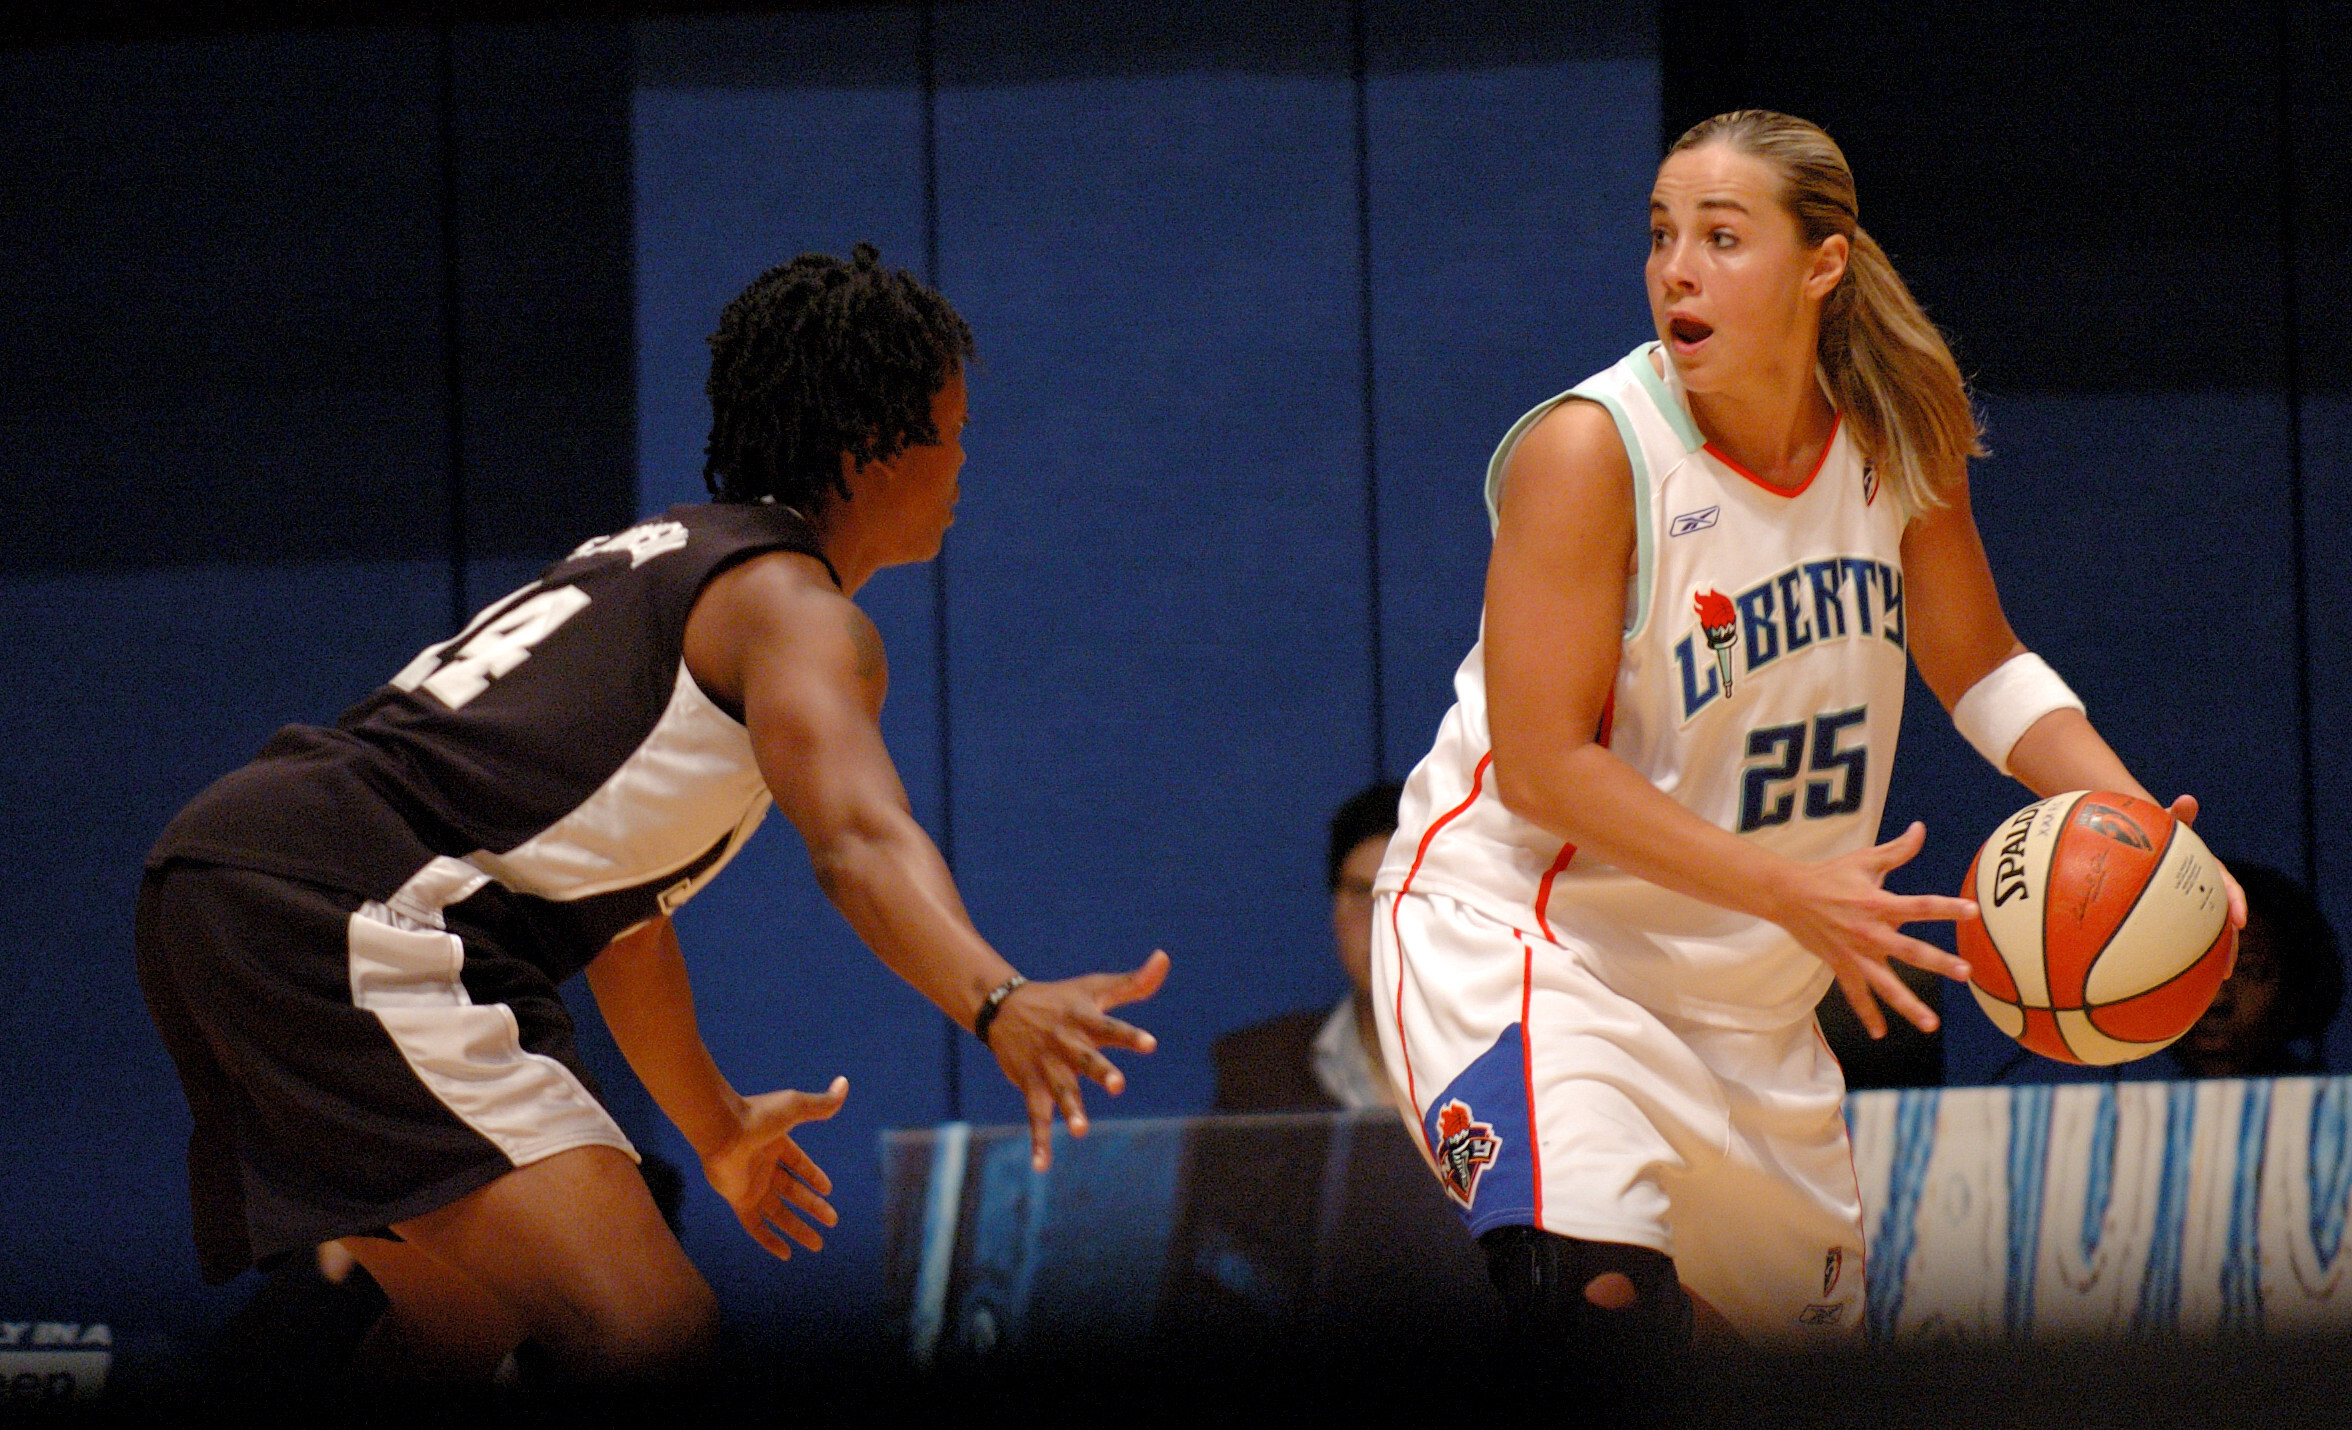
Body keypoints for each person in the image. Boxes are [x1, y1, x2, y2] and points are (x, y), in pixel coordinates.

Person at [136, 244, 1169, 1384]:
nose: (966, 457)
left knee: (459, 1330)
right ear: (871, 443)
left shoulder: (665, 561)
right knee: (653, 1332)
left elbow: (623, 920)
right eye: (952, 425)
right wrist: (998, 997)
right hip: (351, 906)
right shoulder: (796, 610)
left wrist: (718, 1125)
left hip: (242, 881)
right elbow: (860, 838)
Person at [1368, 111, 2244, 1403]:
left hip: (1749, 996)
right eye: (1663, 236)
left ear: (1822, 262)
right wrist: (1791, 888)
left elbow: (1983, 665)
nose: (1677, 269)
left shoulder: (1893, 436)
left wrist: (2132, 819)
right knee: (1592, 1299)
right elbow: (1545, 766)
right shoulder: (1591, 449)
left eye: (1723, 239)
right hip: (1527, 943)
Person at [1211, 781, 1402, 1113]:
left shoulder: (1506, 1064)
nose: (1382, 923)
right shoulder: (1257, 1074)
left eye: (1403, 897)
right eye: (1361, 894)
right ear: (1333, 909)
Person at [2171, 862, 2342, 1079]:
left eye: (2249, 971)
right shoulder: (2126, 1109)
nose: (2217, 1001)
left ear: (2296, 989)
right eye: (2196, 969)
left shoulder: (2333, 1109)